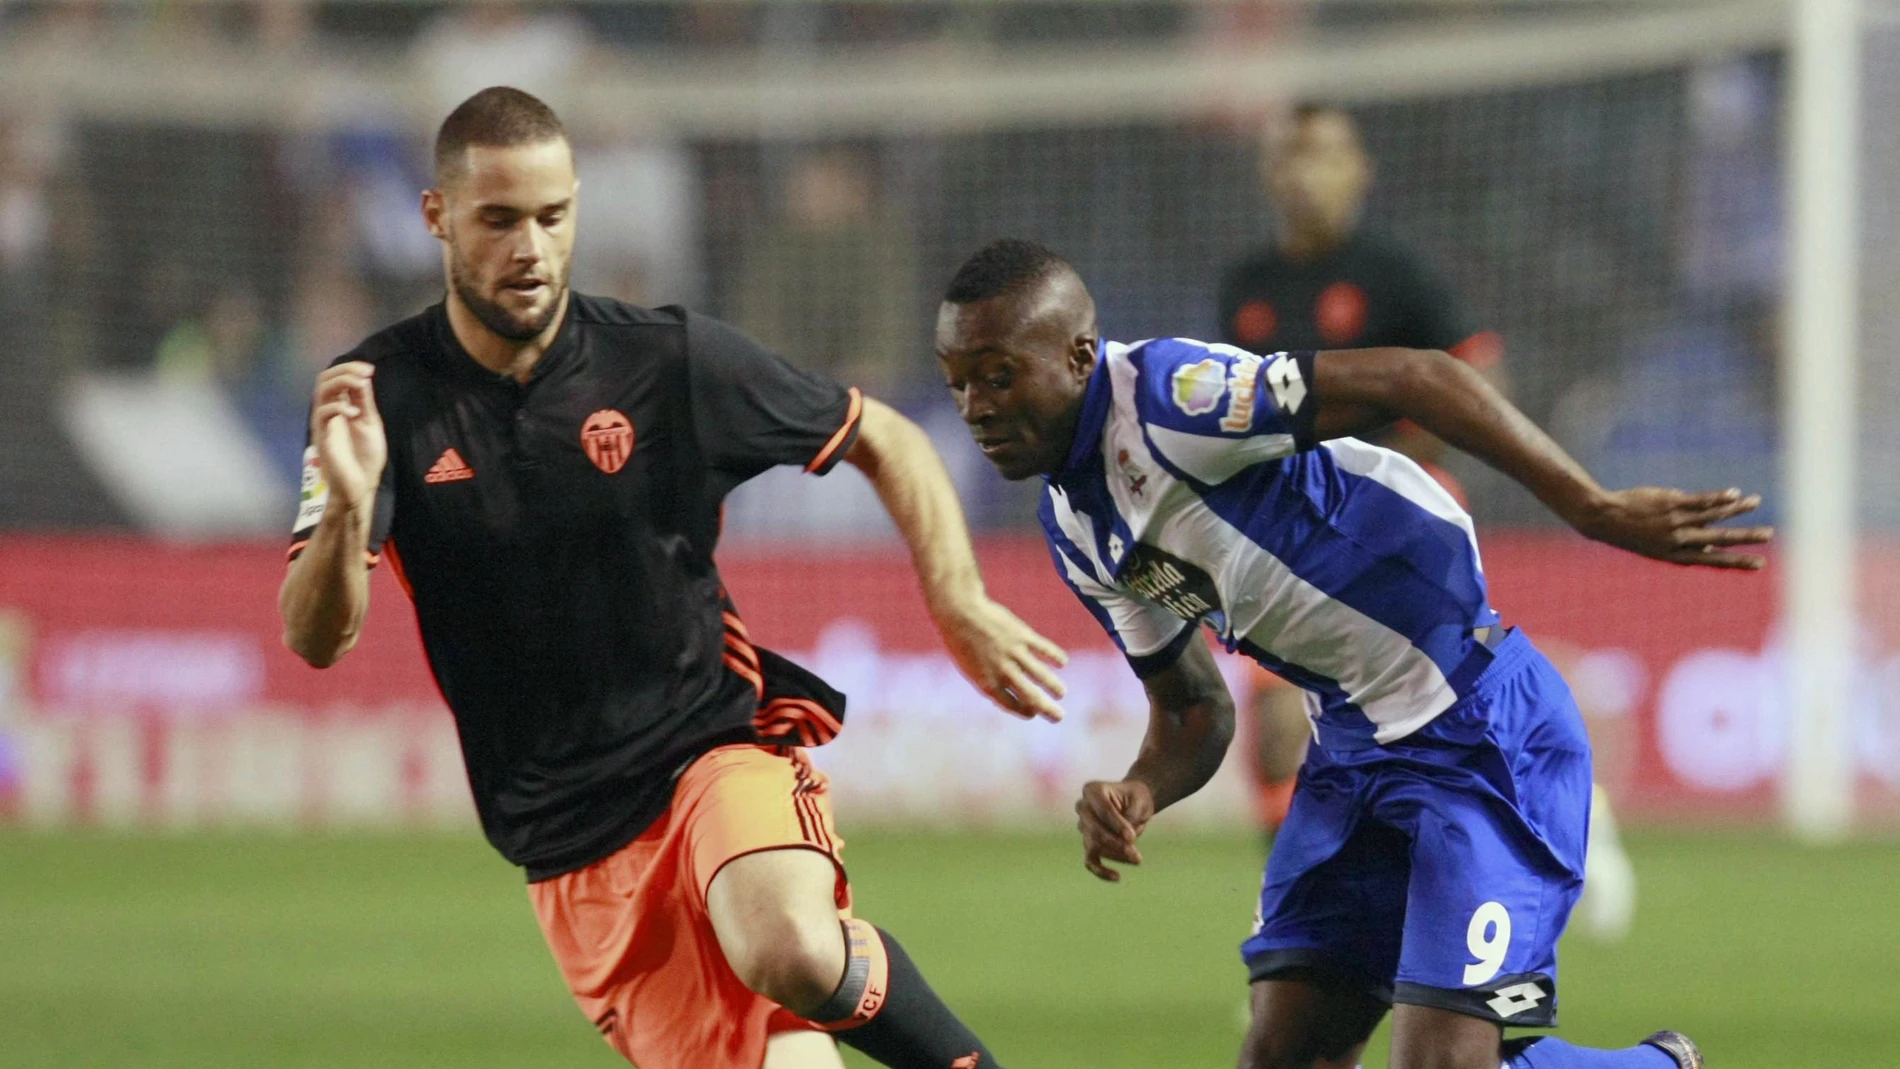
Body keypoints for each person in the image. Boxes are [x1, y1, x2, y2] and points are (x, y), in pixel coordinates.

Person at [279, 88, 1067, 1069]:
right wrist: (349, 506)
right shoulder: (372, 398)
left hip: (712, 748)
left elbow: (884, 435)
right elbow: (315, 636)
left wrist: (957, 600)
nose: (530, 246)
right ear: (437, 217)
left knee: (785, 941)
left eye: (552, 217)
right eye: (498, 219)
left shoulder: (660, 358)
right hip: (572, 844)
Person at [934, 239, 1768, 1069]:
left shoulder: (1168, 398)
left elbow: (1422, 378)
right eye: (957, 381)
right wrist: (1140, 787)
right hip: (1351, 754)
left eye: (998, 375)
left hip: (1478, 730)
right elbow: (1194, 710)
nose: (975, 406)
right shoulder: (1075, 530)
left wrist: (1592, 507)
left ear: (1079, 356)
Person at [1217, 106, 1636, 943]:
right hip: (1289, 534)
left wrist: (1400, 459)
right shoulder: (1245, 286)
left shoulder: (1394, 272)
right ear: (1269, 173)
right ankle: (1306, 935)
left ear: (1361, 171)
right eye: (1295, 153)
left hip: (1396, 517)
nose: (1310, 171)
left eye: (1330, 153)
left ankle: (1573, 811)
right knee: (1274, 733)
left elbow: (1480, 374)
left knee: (1443, 721)